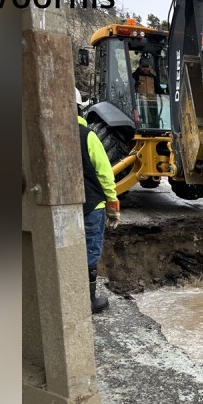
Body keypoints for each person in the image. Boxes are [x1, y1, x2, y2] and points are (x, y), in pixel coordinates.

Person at [76, 114, 120, 313]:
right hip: (91, 205)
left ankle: (69, 297)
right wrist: (113, 209)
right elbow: (104, 173)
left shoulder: (48, 134)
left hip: (61, 209)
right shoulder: (87, 135)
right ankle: (89, 300)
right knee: (90, 250)